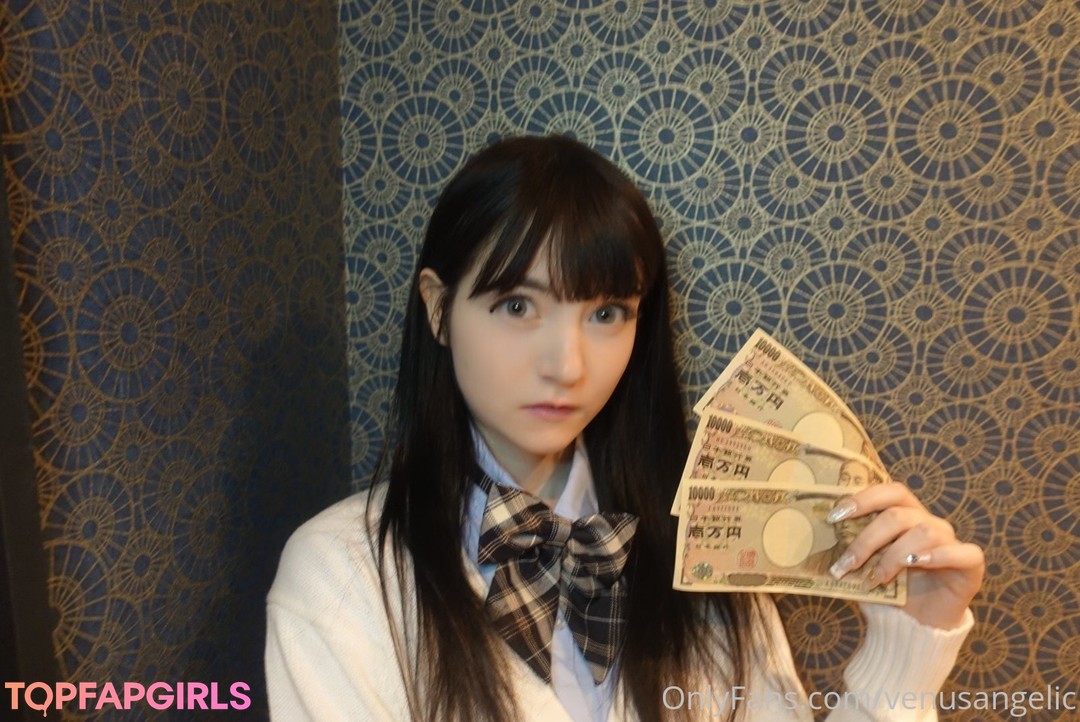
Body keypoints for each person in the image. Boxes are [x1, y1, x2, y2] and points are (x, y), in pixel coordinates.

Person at [265, 136, 984, 721]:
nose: (567, 365)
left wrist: (910, 646)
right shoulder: (340, 580)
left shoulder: (704, 552)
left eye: (607, 313)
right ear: (437, 308)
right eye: (517, 305)